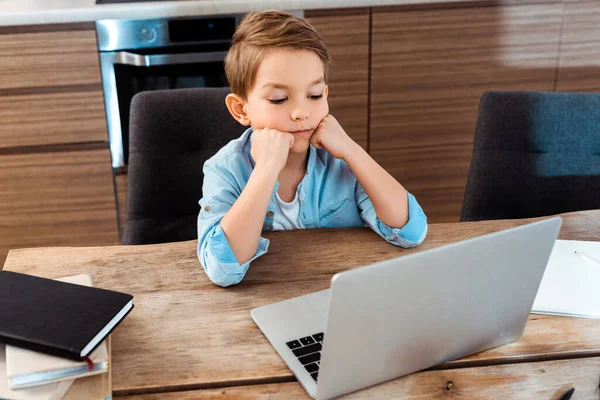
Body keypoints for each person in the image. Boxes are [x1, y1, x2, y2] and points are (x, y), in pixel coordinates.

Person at [197, 10, 427, 287]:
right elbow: (223, 269)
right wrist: (267, 169)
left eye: (314, 95)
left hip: (342, 296)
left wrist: (353, 152)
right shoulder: (224, 169)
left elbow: (410, 232)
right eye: (279, 99)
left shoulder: (340, 160)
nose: (301, 112)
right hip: (267, 299)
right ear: (241, 109)